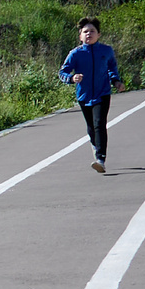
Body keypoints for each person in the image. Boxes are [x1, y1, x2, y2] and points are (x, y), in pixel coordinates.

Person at [59, 16, 121, 173]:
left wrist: (116, 81)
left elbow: (112, 67)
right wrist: (72, 78)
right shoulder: (75, 54)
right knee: (91, 126)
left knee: (99, 123)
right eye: (85, 31)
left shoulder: (106, 51)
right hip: (84, 95)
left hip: (102, 93)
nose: (89, 34)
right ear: (80, 35)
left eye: (92, 31)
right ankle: (95, 145)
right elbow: (63, 72)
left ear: (98, 34)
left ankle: (100, 159)